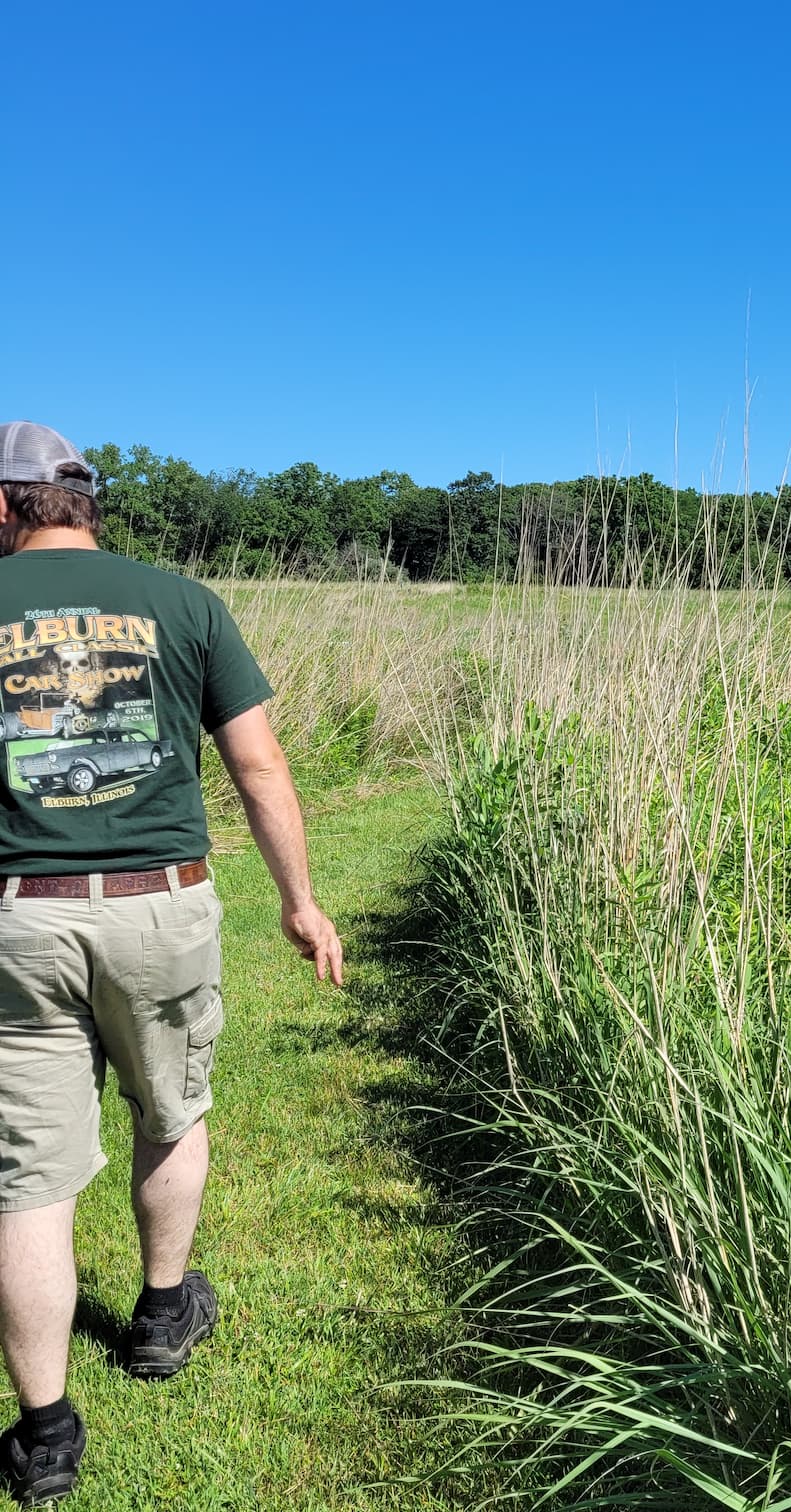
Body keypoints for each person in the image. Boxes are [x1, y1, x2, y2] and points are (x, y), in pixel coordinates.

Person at [0, 421, 343, 1505]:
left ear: (5, 508)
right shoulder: (185, 601)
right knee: (171, 1110)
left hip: (17, 917)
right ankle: (158, 1315)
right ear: (86, 502)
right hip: (160, 905)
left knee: (27, 1180)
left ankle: (46, 1432)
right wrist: (299, 901)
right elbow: (259, 760)